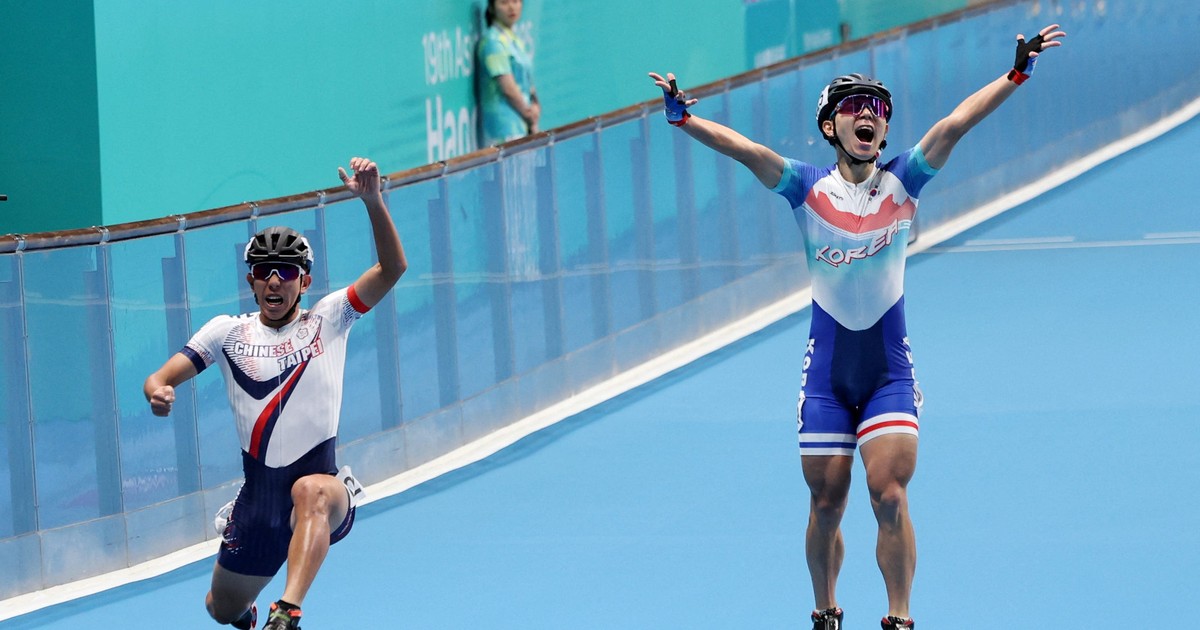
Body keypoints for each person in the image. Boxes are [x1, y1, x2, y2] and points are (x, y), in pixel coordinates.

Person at [650, 23, 1065, 630]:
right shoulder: (805, 186)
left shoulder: (905, 178)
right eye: (854, 109)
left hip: (888, 374)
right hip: (826, 378)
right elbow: (746, 151)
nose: (869, 116)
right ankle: (825, 610)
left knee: (889, 495)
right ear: (830, 127)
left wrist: (1016, 74)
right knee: (827, 501)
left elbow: (954, 125)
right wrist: (686, 121)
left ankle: (899, 618)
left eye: (878, 110)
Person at [143, 157, 407, 630]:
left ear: (304, 281)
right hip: (259, 505)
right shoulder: (226, 332)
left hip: (323, 490)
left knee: (312, 492)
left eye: (286, 271)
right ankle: (244, 612)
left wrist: (372, 200)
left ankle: (286, 611)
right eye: (264, 270)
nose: (273, 280)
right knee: (218, 609)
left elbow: (393, 268)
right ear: (250, 281)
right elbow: (160, 377)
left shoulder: (329, 319)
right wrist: (158, 391)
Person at [477, 0, 539, 146]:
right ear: (492, 8)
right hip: (504, 129)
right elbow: (508, 88)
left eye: (516, 1)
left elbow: (527, 82)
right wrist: (528, 115)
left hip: (523, 124)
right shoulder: (493, 42)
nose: (511, 7)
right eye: (504, 2)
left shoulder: (514, 40)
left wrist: (535, 107)